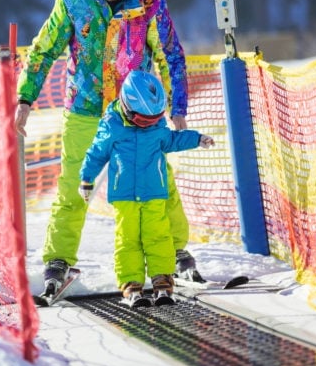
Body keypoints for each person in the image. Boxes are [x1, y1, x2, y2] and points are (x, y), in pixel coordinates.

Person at [14, 0, 201, 296]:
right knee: (73, 187)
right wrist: (25, 98)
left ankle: (176, 250)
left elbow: (171, 56)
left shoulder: (149, 5)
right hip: (85, 111)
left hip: (138, 115)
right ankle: (59, 259)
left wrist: (178, 109)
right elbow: (42, 52)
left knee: (158, 185)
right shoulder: (72, 3)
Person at [78, 71, 214, 304]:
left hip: (154, 191)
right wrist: (86, 179)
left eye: (155, 120)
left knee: (159, 237)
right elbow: (96, 153)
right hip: (124, 195)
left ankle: (162, 279)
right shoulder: (112, 125)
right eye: (144, 121)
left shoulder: (157, 126)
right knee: (128, 239)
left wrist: (196, 138)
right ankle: (132, 283)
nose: (149, 125)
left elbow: (172, 140)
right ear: (127, 107)